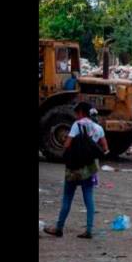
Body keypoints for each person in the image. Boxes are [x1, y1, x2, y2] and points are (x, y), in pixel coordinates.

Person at [44, 102, 110, 239]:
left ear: (80, 112)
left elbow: (67, 144)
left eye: (77, 112)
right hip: (89, 168)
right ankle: (89, 230)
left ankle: (59, 228)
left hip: (74, 167)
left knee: (67, 197)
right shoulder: (98, 128)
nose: (76, 115)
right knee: (89, 198)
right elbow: (105, 147)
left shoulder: (77, 125)